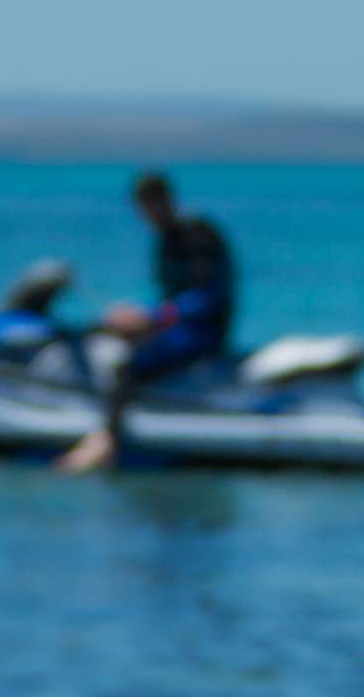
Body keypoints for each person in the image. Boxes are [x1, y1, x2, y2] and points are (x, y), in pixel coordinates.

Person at [57, 172, 237, 472]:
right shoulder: (167, 239)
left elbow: (205, 298)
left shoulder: (197, 235)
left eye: (148, 207)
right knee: (97, 333)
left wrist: (154, 318)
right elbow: (170, 297)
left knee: (129, 366)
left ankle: (107, 440)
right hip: (180, 325)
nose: (146, 216)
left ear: (163, 201)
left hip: (204, 331)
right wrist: (138, 318)